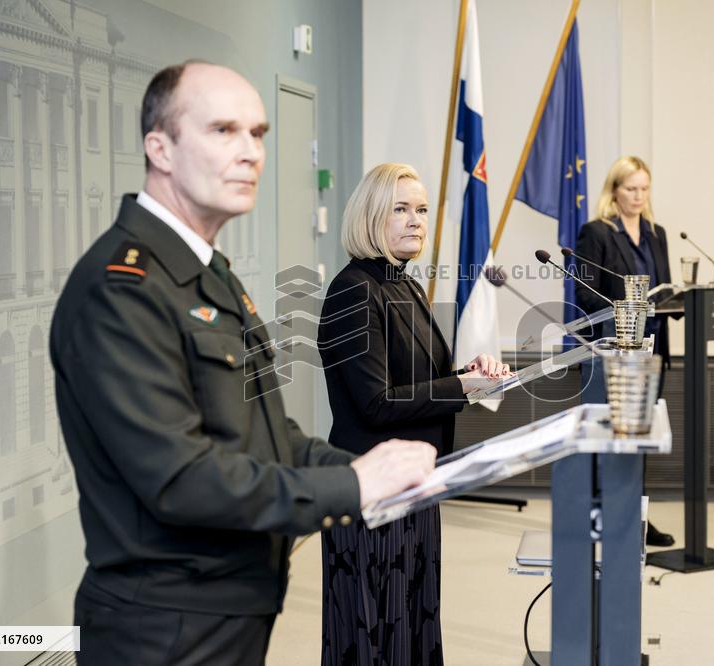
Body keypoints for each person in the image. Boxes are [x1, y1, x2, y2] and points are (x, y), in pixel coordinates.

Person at [49, 62, 437, 666]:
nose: (250, 152)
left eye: (258, 133)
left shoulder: (210, 276)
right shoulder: (122, 290)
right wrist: (354, 484)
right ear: (161, 148)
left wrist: (373, 467)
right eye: (223, 130)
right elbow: (181, 479)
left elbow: (266, 433)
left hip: (231, 608)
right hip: (165, 627)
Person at [315, 163, 510, 665]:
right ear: (370, 216)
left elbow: (424, 380)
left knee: (411, 630)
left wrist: (471, 373)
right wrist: (461, 386)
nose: (415, 221)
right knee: (375, 638)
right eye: (400, 209)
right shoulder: (354, 290)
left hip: (416, 486)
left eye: (421, 210)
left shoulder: (403, 285)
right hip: (372, 495)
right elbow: (378, 403)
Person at [574, 155, 675, 547]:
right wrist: (622, 316)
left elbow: (663, 287)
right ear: (614, 190)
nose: (638, 196)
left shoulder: (656, 232)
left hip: (653, 350)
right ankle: (606, 518)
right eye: (631, 188)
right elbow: (584, 293)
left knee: (640, 438)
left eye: (644, 188)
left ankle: (636, 518)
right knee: (612, 440)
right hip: (614, 353)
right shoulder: (596, 232)